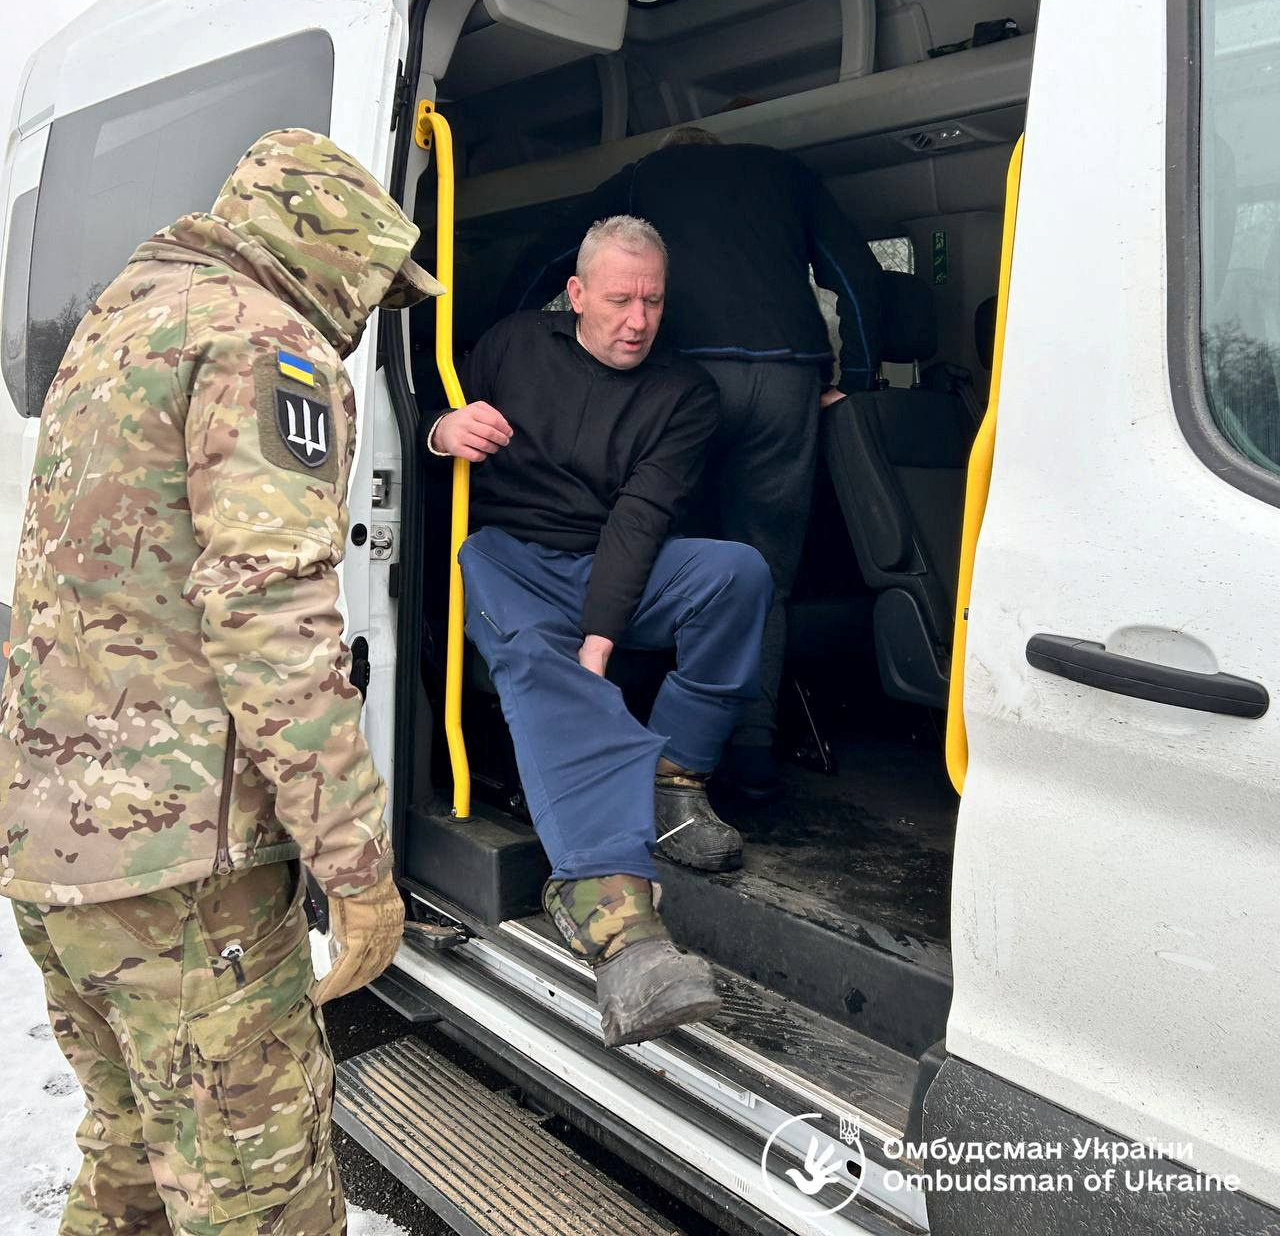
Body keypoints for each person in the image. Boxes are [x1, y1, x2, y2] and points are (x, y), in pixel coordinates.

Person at [0, 129, 440, 1236]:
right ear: (325, 248)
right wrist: (358, 868)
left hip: (56, 845)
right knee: (263, 1196)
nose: (372, 306)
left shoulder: (116, 325)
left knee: (134, 1164)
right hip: (184, 872)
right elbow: (270, 623)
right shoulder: (266, 345)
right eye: (375, 280)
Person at [430, 215, 772, 1046]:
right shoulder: (511, 346)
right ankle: (614, 919)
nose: (638, 320)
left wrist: (600, 639)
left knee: (737, 574)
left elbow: (641, 518)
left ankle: (674, 784)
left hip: (610, 559)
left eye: (653, 300)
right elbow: (409, 418)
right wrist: (443, 432)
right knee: (539, 668)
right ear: (576, 294)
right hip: (508, 555)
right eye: (620, 299)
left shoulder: (684, 394)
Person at [503, 128, 884, 800]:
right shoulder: (784, 167)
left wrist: (504, 328)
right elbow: (853, 270)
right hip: (786, 379)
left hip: (686, 373)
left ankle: (637, 731)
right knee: (765, 572)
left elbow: (556, 251)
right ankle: (754, 750)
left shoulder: (649, 175)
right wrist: (857, 374)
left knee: (656, 552)